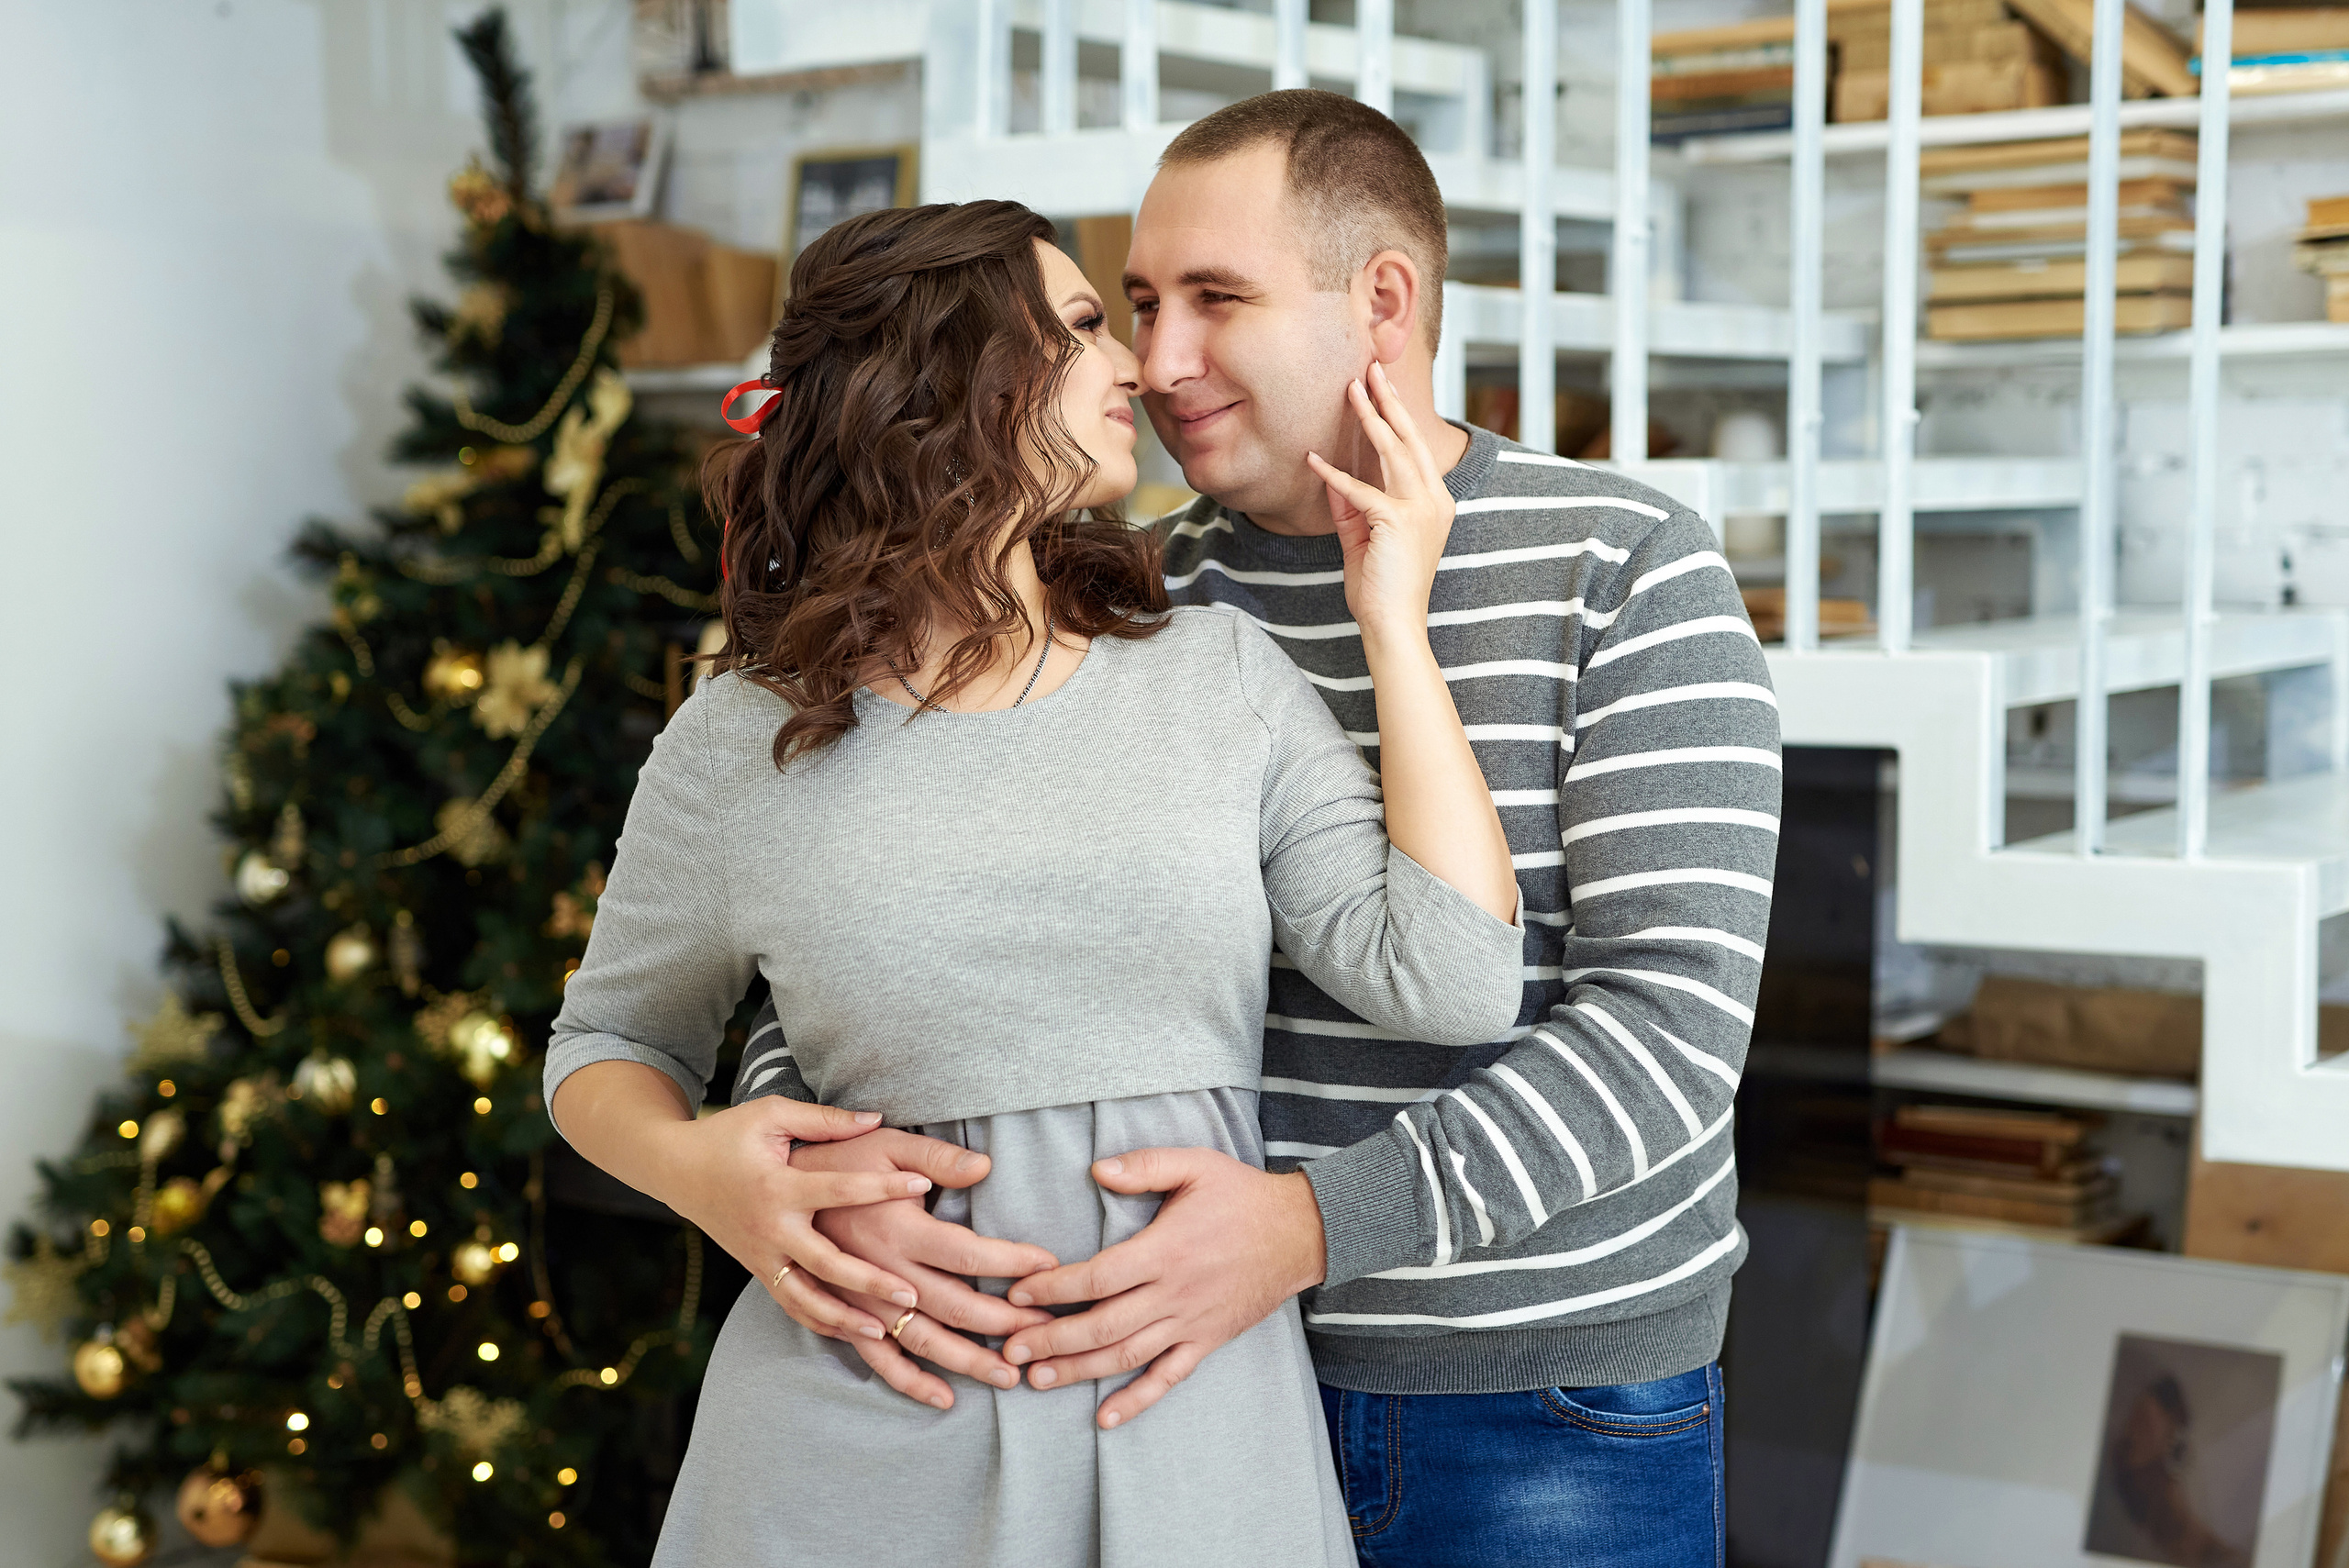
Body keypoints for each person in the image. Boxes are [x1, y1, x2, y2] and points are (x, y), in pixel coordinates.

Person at [774, 92, 1781, 1567]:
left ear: (1383, 299)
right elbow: (881, 902)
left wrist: (1308, 1227)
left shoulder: (1625, 566)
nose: (1157, 363)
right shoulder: (1117, 597)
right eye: (1135, 306)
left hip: (1545, 1405)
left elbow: (1670, 1033)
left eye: (1215, 300)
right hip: (1175, 1387)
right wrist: (802, 1147)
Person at [542, 198, 1531, 1566]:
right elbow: (606, 1043)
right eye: (1081, 327)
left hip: (1192, 1427)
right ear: (942, 378)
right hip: (851, 1436)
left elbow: (1460, 977)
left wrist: (1395, 628)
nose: (1135, 365)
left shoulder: (1221, 677)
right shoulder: (737, 742)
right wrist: (710, 1173)